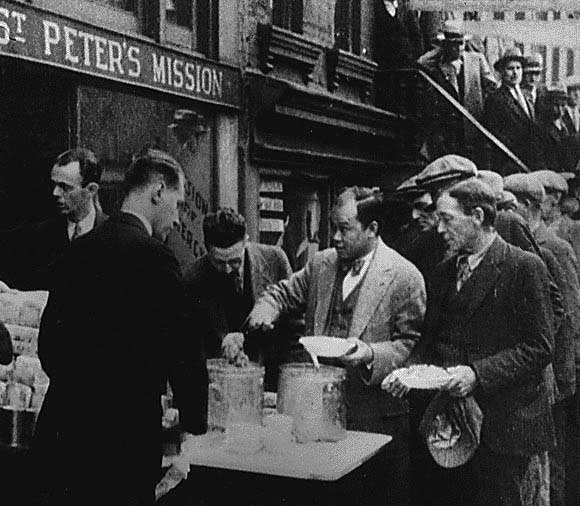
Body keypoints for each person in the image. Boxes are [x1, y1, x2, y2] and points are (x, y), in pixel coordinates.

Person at [35, 149, 208, 506]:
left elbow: (49, 347)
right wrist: (193, 424)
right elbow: (186, 355)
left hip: (60, 436)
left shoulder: (77, 250)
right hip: (120, 447)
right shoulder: (156, 257)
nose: (177, 219)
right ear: (158, 191)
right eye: (177, 204)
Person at [245, 186, 426, 505]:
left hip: (374, 419)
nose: (336, 238)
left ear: (372, 229)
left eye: (345, 229)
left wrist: (369, 353)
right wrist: (265, 309)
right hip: (317, 415)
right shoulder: (323, 264)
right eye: (333, 228)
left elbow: (412, 347)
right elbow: (283, 293)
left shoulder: (404, 275)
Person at [386, 178, 555, 506]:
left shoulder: (524, 267)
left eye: (447, 219)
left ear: (478, 216)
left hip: (504, 427)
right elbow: (430, 339)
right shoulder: (445, 270)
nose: (439, 230)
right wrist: (408, 372)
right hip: (452, 424)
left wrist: (477, 374)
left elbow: (540, 346)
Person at [504, 173, 580, 506]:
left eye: (509, 205)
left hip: (553, 375)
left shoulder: (554, 248)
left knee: (554, 461)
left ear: (525, 206)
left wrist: (562, 374)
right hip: (538, 373)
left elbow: (569, 314)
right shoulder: (528, 247)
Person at [184, 207, 298, 390]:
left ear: (246, 241)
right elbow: (191, 345)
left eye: (235, 261)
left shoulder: (275, 260)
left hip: (272, 381)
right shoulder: (193, 279)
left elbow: (294, 326)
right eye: (219, 262)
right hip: (222, 384)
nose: (228, 269)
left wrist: (289, 382)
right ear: (207, 249)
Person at [1, 148, 107, 290]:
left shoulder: (112, 234)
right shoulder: (37, 236)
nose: (55, 193)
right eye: (55, 184)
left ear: (91, 190)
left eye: (64, 187)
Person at [484, 48, 546, 172]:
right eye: (510, 68)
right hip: (509, 162)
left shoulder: (526, 96)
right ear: (502, 71)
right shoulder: (496, 99)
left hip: (530, 161)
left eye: (518, 68)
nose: (515, 73)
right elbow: (495, 134)